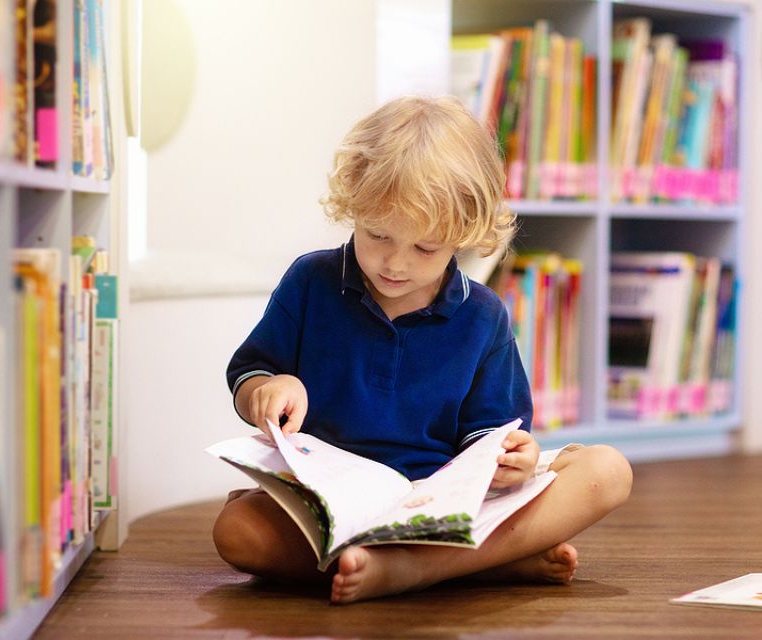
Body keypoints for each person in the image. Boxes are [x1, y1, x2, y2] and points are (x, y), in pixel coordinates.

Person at [212, 95, 633, 604]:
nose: (394, 262)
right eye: (377, 235)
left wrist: (512, 460)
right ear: (353, 206)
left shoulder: (484, 315)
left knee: (607, 471)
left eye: (425, 248)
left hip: (442, 504)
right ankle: (477, 565)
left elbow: (492, 439)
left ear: (464, 234)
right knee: (237, 531)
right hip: (332, 501)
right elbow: (250, 373)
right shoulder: (311, 281)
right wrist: (267, 388)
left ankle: (412, 567)